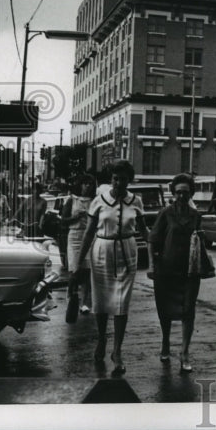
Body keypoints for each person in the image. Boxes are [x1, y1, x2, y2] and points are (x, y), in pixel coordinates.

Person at [71, 159, 148, 375]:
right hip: (102, 251)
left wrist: (159, 247)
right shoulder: (99, 201)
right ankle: (102, 340)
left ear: (129, 181)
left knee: (122, 303)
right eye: (115, 178)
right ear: (111, 179)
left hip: (127, 252)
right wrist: (78, 262)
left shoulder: (137, 202)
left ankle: (117, 351)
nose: (118, 183)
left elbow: (145, 232)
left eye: (123, 179)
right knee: (102, 301)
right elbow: (88, 233)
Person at [149, 173, 203, 372]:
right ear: (173, 193)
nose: (181, 196)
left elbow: (198, 241)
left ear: (190, 194)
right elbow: (153, 240)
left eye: (185, 193)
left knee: (188, 310)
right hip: (166, 268)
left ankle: (184, 352)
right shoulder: (165, 213)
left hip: (190, 270)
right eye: (178, 192)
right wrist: (152, 266)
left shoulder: (196, 215)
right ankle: (165, 343)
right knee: (165, 310)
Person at [62, 173, 96, 314]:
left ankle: (84, 302)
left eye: (90, 184)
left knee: (88, 271)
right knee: (75, 271)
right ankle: (71, 296)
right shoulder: (71, 200)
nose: (87, 186)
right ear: (80, 184)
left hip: (89, 236)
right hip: (75, 235)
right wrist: (75, 217)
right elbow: (63, 220)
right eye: (85, 183)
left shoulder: (94, 201)